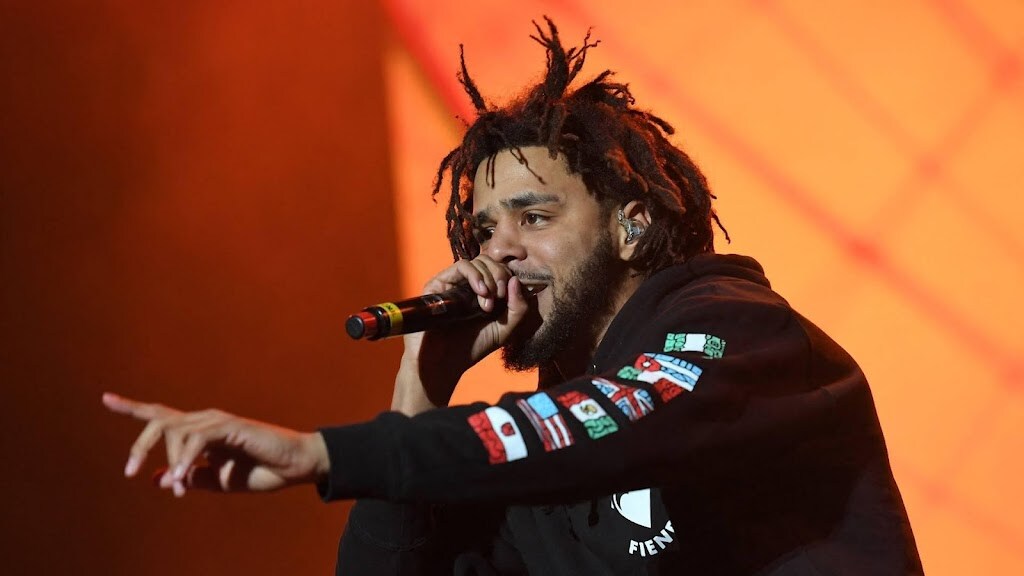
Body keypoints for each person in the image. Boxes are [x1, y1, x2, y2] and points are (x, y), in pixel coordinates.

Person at [104, 18, 923, 575]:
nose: (499, 251)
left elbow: (617, 416)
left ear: (632, 226)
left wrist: (324, 455)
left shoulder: (738, 332)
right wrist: (419, 390)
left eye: (535, 217)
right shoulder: (535, 467)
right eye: (485, 230)